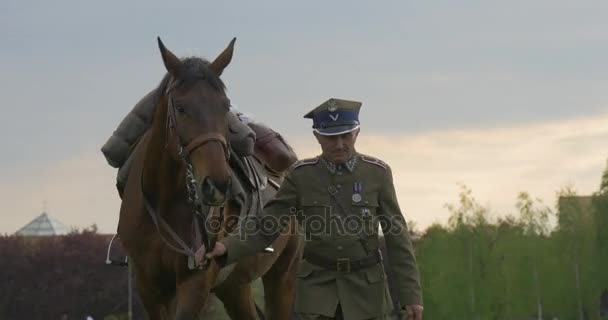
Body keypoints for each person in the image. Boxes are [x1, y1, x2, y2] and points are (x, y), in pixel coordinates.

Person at [203, 98, 424, 320]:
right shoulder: (301, 175)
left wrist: (411, 296)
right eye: (330, 137)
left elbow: (398, 239)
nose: (338, 144)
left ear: (356, 133)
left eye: (345, 136)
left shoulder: (377, 173)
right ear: (317, 136)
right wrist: (226, 247)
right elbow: (266, 226)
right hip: (317, 293)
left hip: (367, 293)